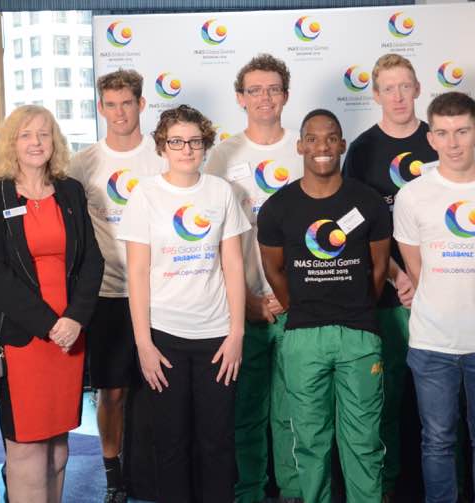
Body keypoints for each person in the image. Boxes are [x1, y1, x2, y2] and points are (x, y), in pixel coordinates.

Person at [393, 92, 475, 503]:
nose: (453, 143)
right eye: (444, 133)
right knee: (436, 442)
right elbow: (416, 270)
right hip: (432, 343)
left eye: (462, 132)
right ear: (430, 137)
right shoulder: (412, 195)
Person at [257, 109, 391, 503]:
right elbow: (274, 270)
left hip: (359, 335)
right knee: (309, 441)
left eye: (331, 138)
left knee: (364, 439)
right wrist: (302, 309)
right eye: (312, 139)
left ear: (342, 145)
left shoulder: (367, 202)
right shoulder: (278, 208)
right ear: (300, 146)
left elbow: (379, 268)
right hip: (303, 338)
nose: (322, 147)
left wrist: (357, 308)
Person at [118, 104, 250, 502]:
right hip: (164, 338)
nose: (187, 149)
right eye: (177, 141)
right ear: (162, 146)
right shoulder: (145, 195)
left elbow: (232, 264)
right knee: (170, 445)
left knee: (217, 443)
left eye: (195, 141)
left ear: (206, 145)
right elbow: (137, 274)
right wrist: (144, 343)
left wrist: (237, 333)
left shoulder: (220, 192)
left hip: (216, 338)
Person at [0, 105, 103, 503]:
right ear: (12, 142)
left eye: (44, 134)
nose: (36, 142)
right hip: (23, 335)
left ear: (55, 142)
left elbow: (92, 260)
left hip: (69, 336)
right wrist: (50, 324)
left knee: (59, 446)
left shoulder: (70, 191)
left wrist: (75, 318)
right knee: (27, 447)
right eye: (26, 135)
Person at [203, 53, 303, 503]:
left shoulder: (305, 148)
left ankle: (295, 492)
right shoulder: (221, 156)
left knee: (295, 413)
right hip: (240, 306)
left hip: (298, 305)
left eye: (273, 89)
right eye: (255, 90)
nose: (265, 97)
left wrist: (288, 293)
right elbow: (212, 238)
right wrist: (246, 300)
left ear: (286, 94)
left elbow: (325, 232)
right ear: (240, 98)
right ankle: (247, 494)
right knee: (245, 413)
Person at [342, 53, 438, 498]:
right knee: (388, 396)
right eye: (388, 88)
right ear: (375, 94)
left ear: (418, 89)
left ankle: (439, 485)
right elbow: (351, 225)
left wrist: (426, 276)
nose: (398, 96)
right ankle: (391, 484)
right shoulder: (361, 151)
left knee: (438, 401)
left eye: (405, 86)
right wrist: (399, 274)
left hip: (439, 289)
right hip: (388, 291)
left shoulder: (440, 140)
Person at [68, 68, 164, 503]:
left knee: (158, 388)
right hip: (107, 294)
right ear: (101, 108)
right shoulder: (82, 163)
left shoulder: (163, 156)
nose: (120, 112)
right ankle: (113, 477)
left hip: (161, 291)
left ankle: (155, 471)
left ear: (141, 105)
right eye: (111, 104)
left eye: (127, 102)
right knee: (112, 391)